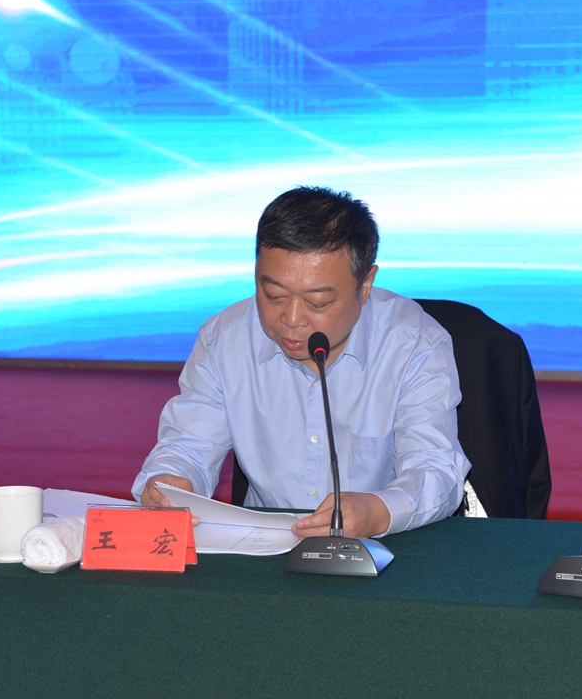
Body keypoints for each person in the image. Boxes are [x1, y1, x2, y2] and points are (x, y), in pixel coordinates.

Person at [132, 186, 470, 538]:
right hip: (263, 547)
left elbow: (436, 469)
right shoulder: (224, 340)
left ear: (365, 284)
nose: (291, 319)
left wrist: (378, 511)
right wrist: (170, 482)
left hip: (387, 547)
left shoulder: (415, 343)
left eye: (317, 303)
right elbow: (188, 446)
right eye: (273, 295)